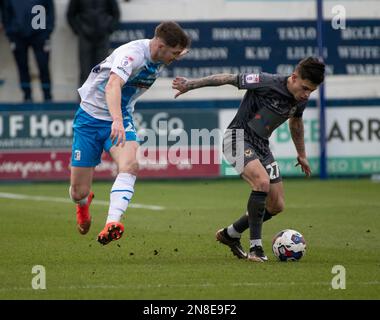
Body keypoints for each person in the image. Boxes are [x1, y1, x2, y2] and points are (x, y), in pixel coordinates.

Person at [172, 57, 325, 262]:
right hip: (237, 138)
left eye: (311, 91)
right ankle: (256, 249)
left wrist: (302, 154)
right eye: (305, 88)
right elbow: (228, 78)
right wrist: (190, 85)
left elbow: (296, 123)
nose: (306, 94)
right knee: (261, 182)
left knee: (277, 204)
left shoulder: (301, 100)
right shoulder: (266, 82)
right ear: (294, 77)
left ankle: (230, 234)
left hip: (261, 145)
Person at [70, 21, 190, 245]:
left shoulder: (161, 53)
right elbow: (112, 85)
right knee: (78, 191)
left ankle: (112, 223)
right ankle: (83, 204)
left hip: (121, 116)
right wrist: (115, 120)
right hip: (90, 119)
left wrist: (119, 120)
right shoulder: (132, 55)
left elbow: (175, 49)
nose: (176, 57)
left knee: (130, 165)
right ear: (160, 46)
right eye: (174, 53)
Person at [2, 0, 54, 102]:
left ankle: (47, 96)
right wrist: (10, 33)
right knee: (22, 66)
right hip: (18, 35)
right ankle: (27, 96)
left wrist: (48, 30)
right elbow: (5, 13)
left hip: (40, 34)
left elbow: (50, 10)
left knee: (43, 65)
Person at [66, 0, 120, 86]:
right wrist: (78, 31)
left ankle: (102, 98)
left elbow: (116, 13)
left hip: (102, 38)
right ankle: (83, 98)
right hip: (85, 38)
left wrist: (109, 29)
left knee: (103, 71)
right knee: (85, 71)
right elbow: (70, 15)